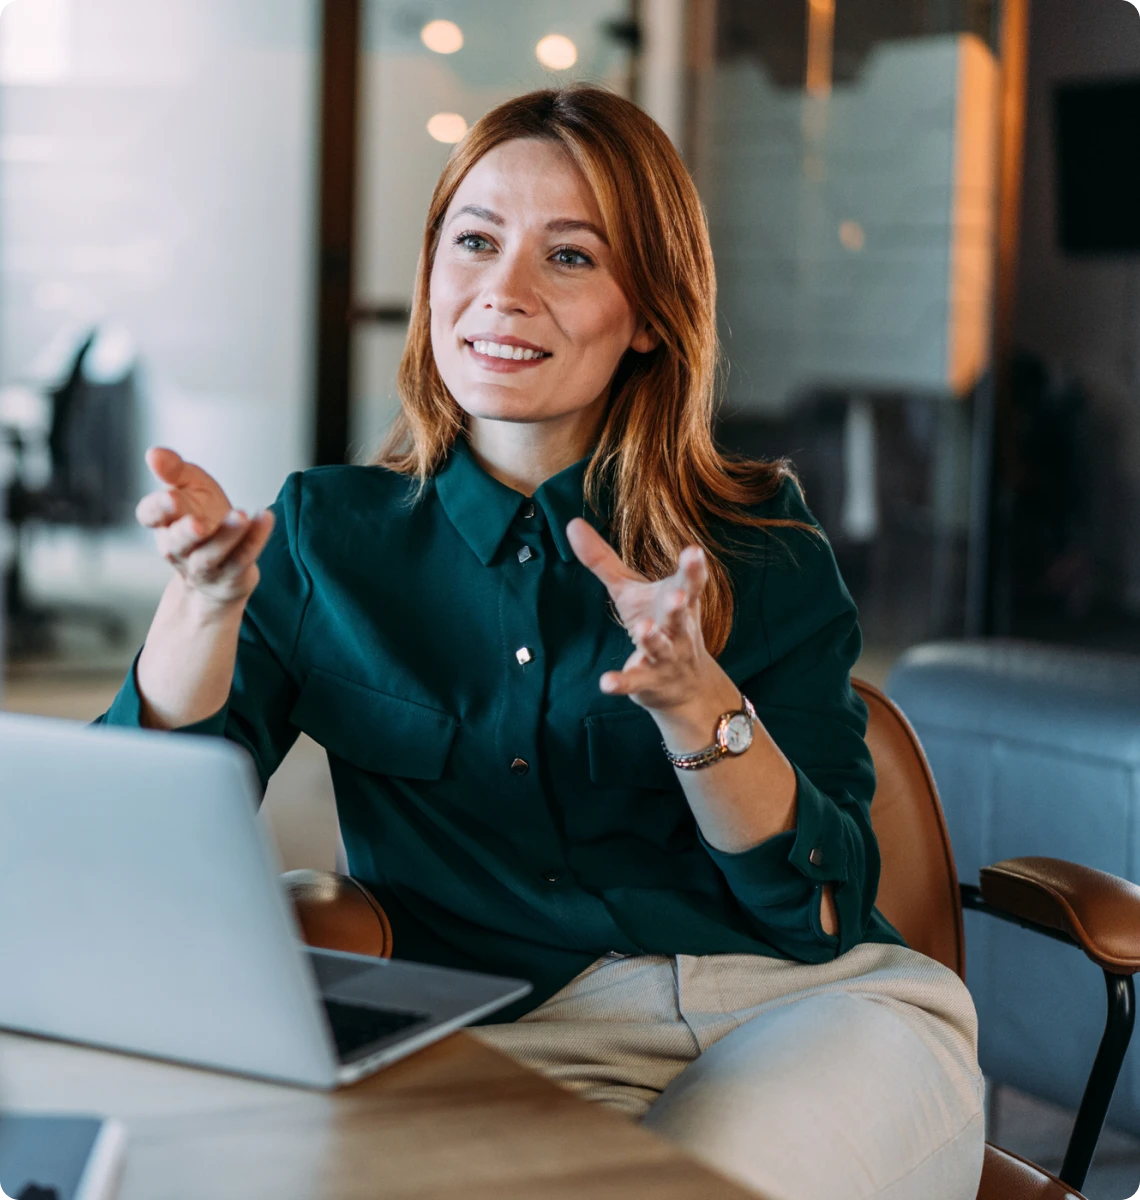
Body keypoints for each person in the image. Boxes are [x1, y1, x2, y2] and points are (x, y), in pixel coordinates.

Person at [98, 86, 984, 1199]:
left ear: (651, 311)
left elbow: (815, 912)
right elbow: (142, 838)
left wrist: (694, 706)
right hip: (508, 1031)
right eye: (474, 242)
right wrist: (202, 607)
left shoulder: (761, 548)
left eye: (571, 257)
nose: (503, 292)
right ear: (430, 275)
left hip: (803, 1009)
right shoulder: (326, 535)